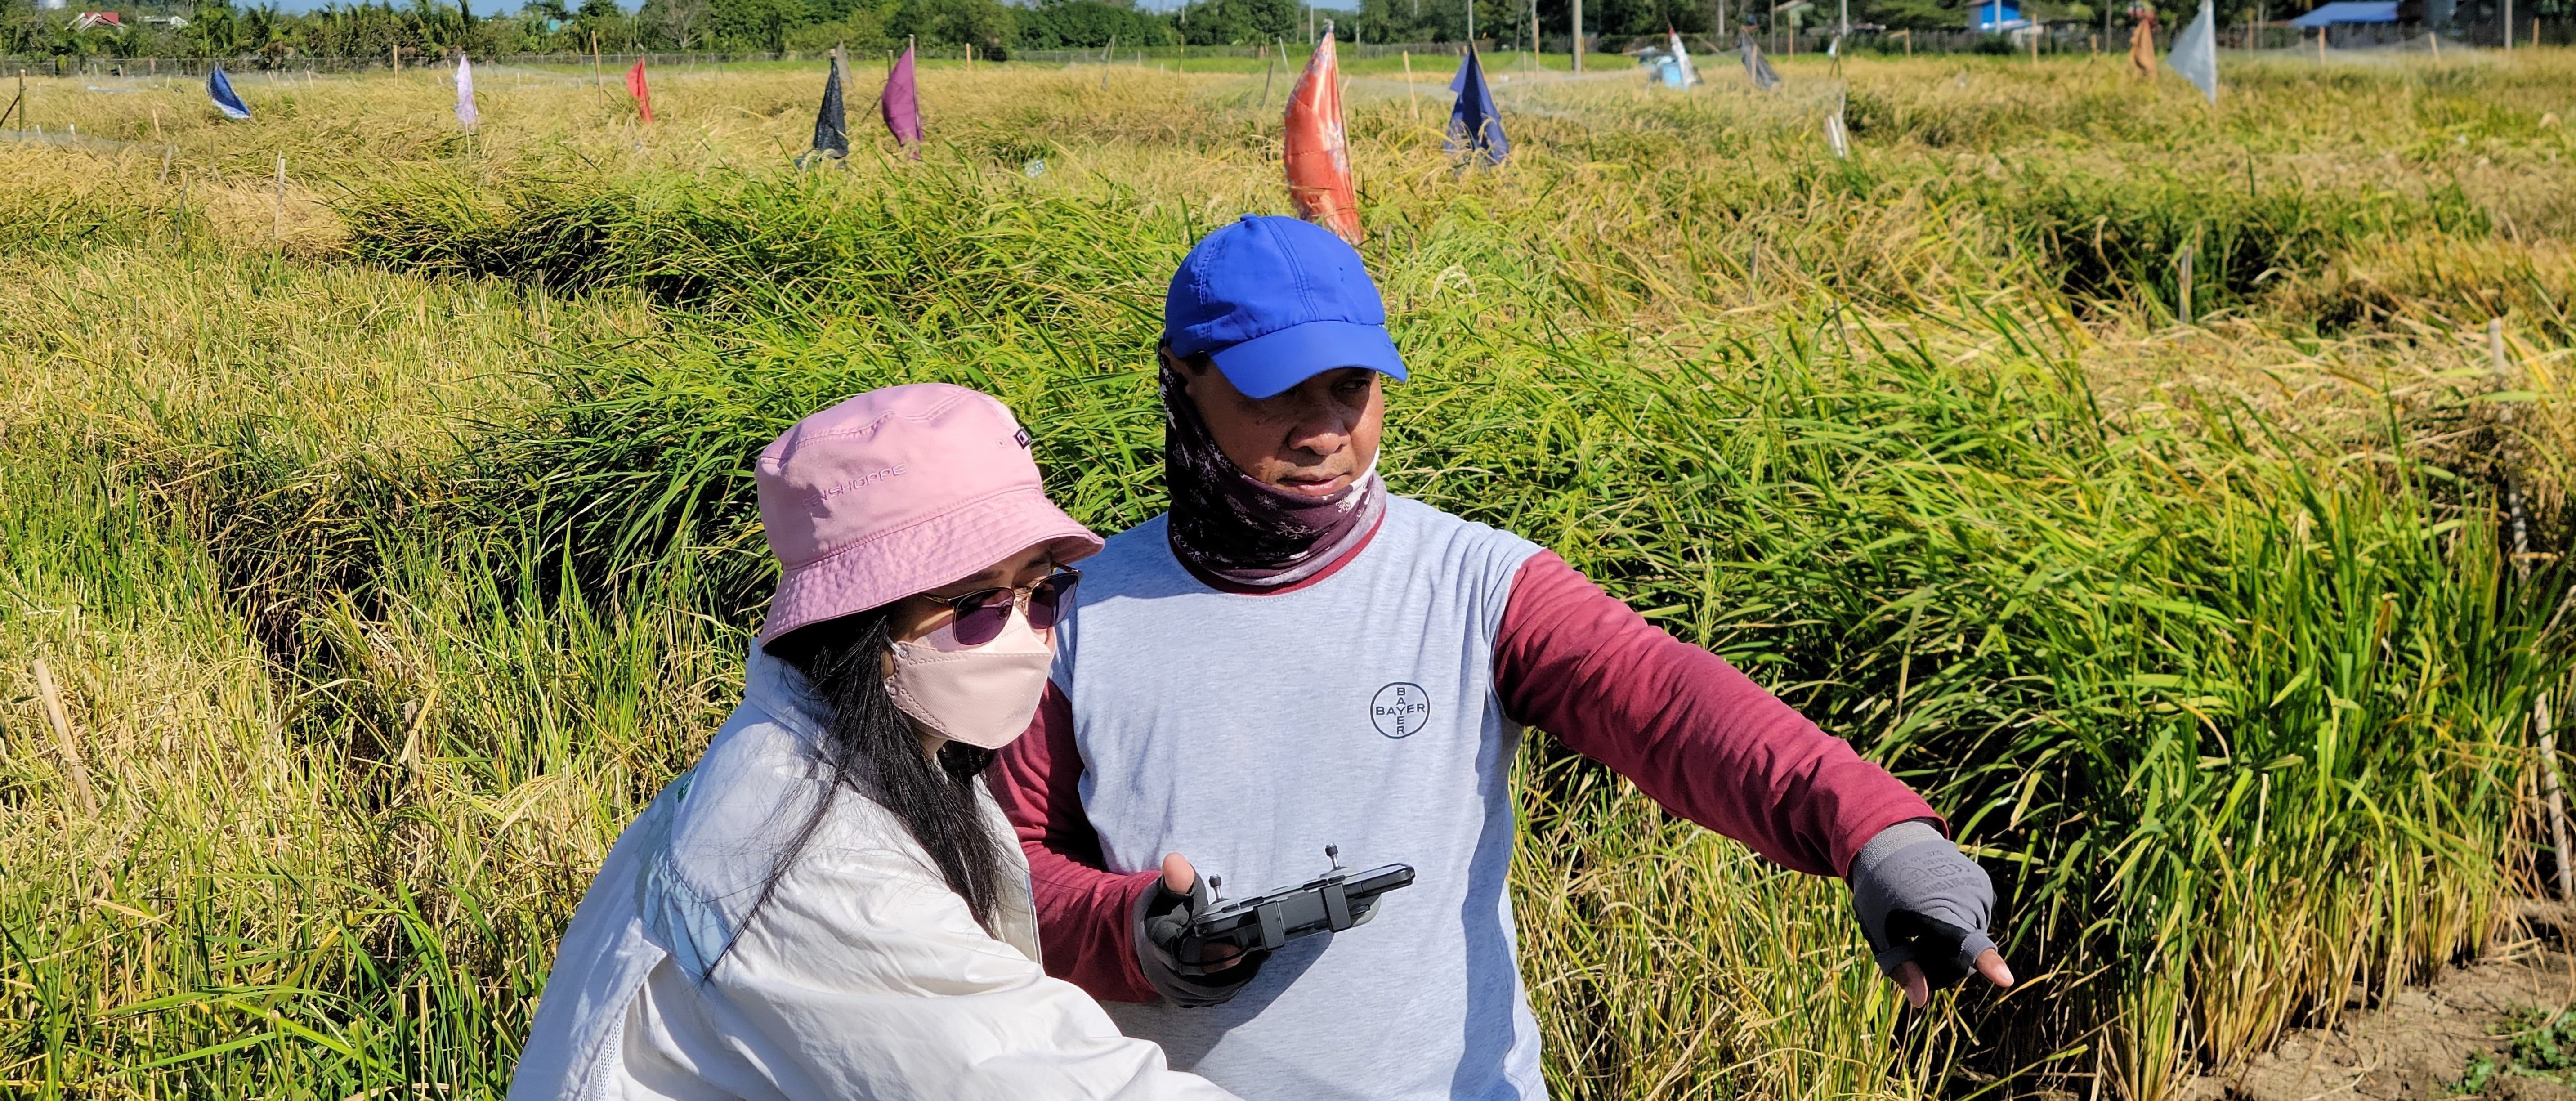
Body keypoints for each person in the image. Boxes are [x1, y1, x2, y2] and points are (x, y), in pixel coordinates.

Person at [992, 216, 2012, 1101]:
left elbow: (1665, 701)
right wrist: (1137, 934)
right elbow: (1002, 869)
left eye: (1350, 387)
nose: (1324, 433)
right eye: (1276, 393)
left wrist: (1875, 832)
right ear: (1182, 381)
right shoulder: (1078, 611)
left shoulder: (1474, 584)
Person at [513, 383, 1247, 1101]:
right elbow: (1035, 1076)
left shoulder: (876, 756)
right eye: (977, 604)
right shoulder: (814, 861)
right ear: (859, 625)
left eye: (1041, 589)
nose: (1026, 636)